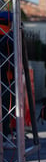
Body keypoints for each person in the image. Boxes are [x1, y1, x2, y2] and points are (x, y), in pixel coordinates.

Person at [0, 11, 15, 148]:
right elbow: (14, 59)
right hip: (5, 78)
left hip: (5, 76)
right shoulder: (9, 37)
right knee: (5, 107)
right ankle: (4, 138)